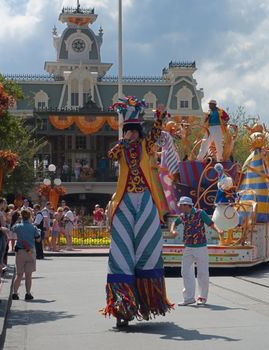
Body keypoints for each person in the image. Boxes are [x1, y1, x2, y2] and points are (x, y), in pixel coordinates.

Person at [103, 97, 172, 327]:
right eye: (128, 131)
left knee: (148, 249)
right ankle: (122, 307)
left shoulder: (146, 145)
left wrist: (160, 116)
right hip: (124, 201)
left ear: (139, 132)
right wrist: (122, 143)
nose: (131, 134)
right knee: (121, 252)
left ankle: (147, 301)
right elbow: (111, 155)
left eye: (134, 131)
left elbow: (155, 134)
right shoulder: (120, 149)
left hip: (145, 199)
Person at [170, 196, 222, 306]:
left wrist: (218, 230)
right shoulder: (183, 216)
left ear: (186, 205)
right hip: (188, 247)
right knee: (185, 271)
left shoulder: (200, 213)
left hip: (200, 247)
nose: (179, 207)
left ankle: (202, 297)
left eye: (181, 205)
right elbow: (174, 222)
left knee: (202, 272)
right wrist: (172, 230)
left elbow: (211, 223)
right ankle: (189, 297)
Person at [11, 209, 41, 301]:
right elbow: (38, 240)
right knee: (28, 275)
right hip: (30, 251)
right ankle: (28, 293)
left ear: (21, 216)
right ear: (30, 217)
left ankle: (15, 293)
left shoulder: (18, 226)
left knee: (19, 274)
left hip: (20, 251)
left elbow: (12, 229)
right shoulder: (33, 227)